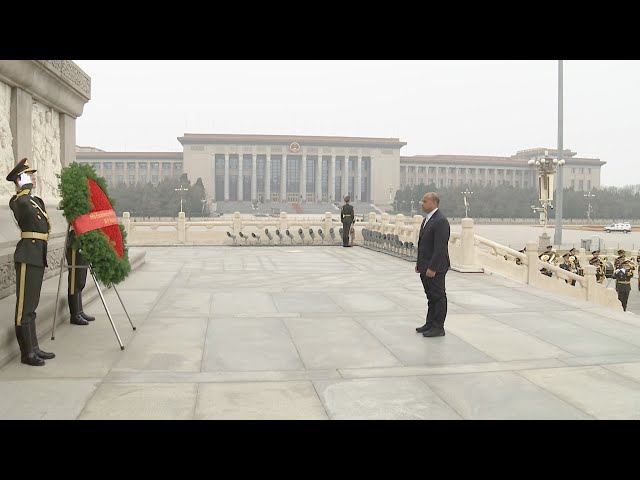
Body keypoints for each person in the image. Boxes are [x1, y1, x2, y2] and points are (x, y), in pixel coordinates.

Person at [6, 157, 55, 366]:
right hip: (27, 255)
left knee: (32, 304)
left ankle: (34, 347)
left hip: (37, 254)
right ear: (20, 179)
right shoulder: (18, 201)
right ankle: (26, 353)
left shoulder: (36, 200)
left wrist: (28, 189)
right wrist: (24, 188)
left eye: (33, 175)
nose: (33, 178)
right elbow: (23, 207)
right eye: (28, 176)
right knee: (24, 307)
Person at [415, 192, 450, 337]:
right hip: (425, 266)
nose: (422, 203)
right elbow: (423, 244)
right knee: (430, 297)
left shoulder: (441, 221)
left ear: (434, 203)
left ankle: (438, 327)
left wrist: (432, 268)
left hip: (435, 268)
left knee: (438, 296)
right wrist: (419, 264)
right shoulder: (427, 220)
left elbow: (440, 248)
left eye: (425, 201)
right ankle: (430, 323)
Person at [67, 226, 95, 325]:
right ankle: (74, 314)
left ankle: (80, 311)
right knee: (75, 280)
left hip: (84, 237)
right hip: (75, 241)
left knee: (81, 280)